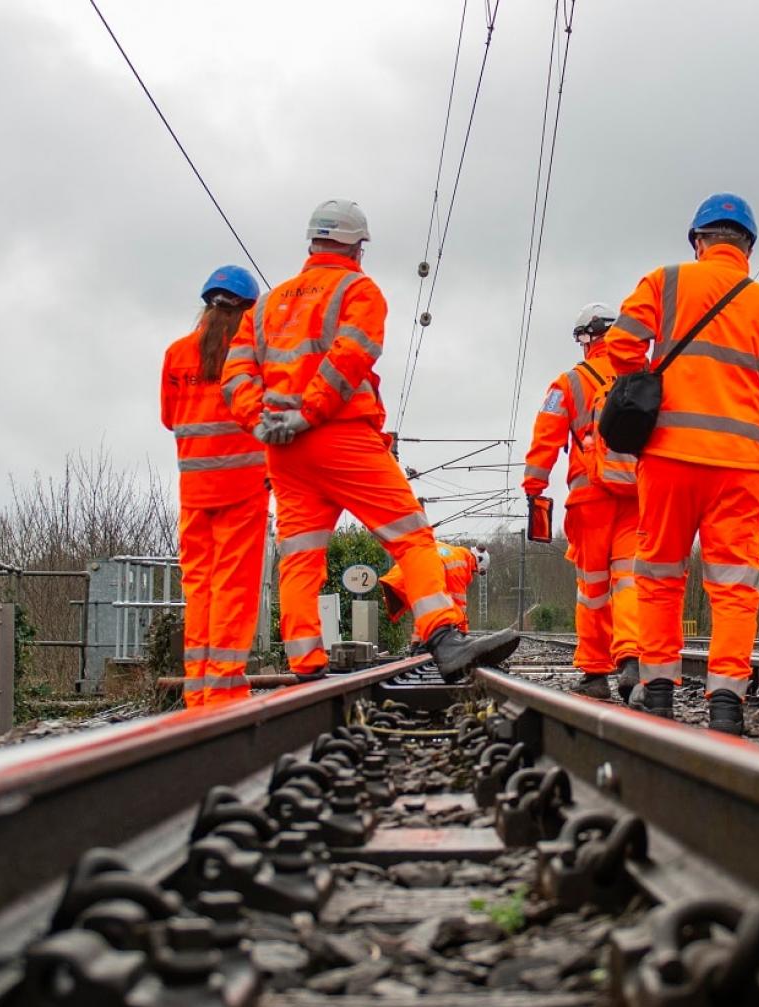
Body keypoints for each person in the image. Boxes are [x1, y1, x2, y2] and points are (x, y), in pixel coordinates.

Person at [222, 200, 518, 681]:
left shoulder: (267, 305)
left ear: (312, 242)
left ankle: (305, 663)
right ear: (358, 247)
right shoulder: (357, 289)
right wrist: (309, 413)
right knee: (412, 536)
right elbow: (351, 356)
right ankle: (445, 637)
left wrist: (263, 422)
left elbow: (235, 375)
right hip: (339, 437)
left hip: (284, 452)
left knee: (300, 555)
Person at [603, 193, 759, 735]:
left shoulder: (665, 281)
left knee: (657, 576)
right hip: (740, 466)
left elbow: (621, 347)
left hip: (669, 457)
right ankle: (726, 702)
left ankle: (658, 694)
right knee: (735, 584)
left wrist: (653, 378)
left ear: (699, 240)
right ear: (747, 246)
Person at [161, 265, 266, 707]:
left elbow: (169, 418)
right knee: (233, 592)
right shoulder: (252, 356)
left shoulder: (177, 354)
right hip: (242, 490)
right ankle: (225, 696)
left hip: (194, 493)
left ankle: (198, 694)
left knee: (199, 592)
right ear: (249, 310)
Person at [524, 303, 640, 702]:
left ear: (587, 338)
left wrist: (534, 485)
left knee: (593, 587)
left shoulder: (569, 384)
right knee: (630, 580)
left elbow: (547, 435)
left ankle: (594, 673)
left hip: (590, 496)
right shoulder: (642, 374)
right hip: (637, 494)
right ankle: (632, 659)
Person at [380, 538, 476, 627]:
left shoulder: (450, 552)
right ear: (475, 566)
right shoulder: (460, 565)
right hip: (410, 583)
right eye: (475, 572)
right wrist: (463, 630)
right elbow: (458, 603)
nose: (473, 576)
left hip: (397, 580)